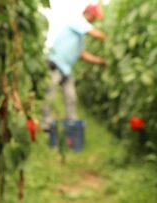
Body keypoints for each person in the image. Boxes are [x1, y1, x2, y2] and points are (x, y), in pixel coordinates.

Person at [43, 5, 107, 150]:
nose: (94, 21)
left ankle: (71, 127)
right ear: (88, 13)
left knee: (71, 97)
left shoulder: (81, 35)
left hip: (66, 69)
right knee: (50, 97)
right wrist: (109, 39)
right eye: (93, 17)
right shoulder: (77, 22)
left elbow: (83, 54)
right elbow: (95, 34)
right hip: (56, 64)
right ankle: (46, 127)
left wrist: (101, 61)